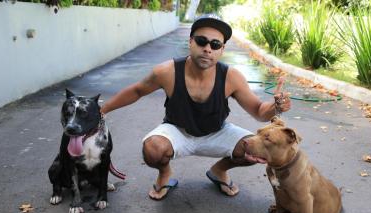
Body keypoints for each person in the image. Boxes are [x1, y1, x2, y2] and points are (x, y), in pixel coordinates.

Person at [100, 14, 291, 200]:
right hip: (177, 130)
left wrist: (276, 106)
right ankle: (164, 174)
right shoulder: (167, 72)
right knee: (153, 150)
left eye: (215, 44)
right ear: (190, 42)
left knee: (255, 148)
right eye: (202, 41)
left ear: (222, 49)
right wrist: (102, 110)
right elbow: (137, 91)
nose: (208, 48)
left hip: (217, 132)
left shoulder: (231, 77)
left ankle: (219, 171)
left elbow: (258, 111)